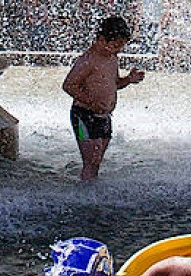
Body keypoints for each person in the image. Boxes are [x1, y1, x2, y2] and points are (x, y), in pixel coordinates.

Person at [62, 16, 145, 181]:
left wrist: (128, 79)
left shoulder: (112, 58)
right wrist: (91, 102)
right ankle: (84, 194)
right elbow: (68, 85)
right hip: (83, 115)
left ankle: (91, 191)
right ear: (101, 39)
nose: (118, 50)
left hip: (104, 116)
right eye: (115, 45)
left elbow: (114, 84)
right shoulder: (88, 60)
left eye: (121, 46)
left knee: (97, 160)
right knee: (90, 161)